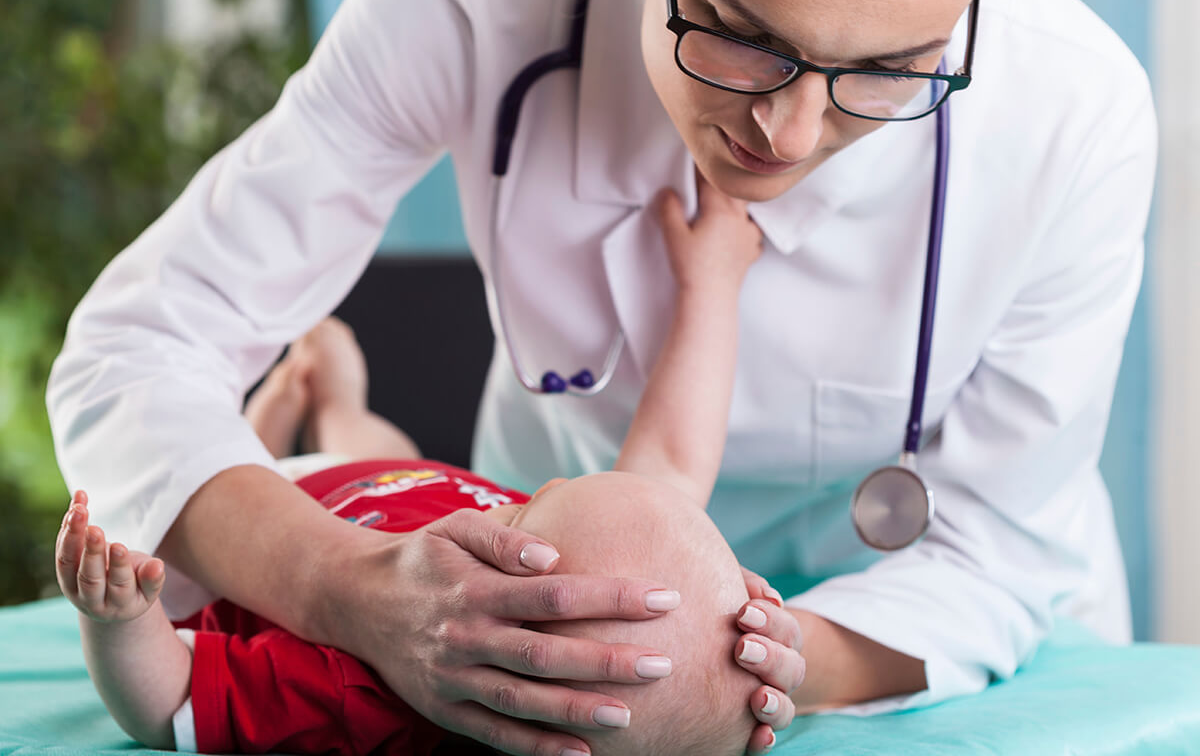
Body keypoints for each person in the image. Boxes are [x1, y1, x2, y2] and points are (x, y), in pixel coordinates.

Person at [46, 0, 1157, 754]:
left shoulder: (1079, 111)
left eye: (889, 70)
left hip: (921, 633)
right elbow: (136, 348)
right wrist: (347, 587)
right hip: (539, 559)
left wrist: (739, 673)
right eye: (737, 30)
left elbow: (995, 553)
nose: (791, 135)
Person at [54, 193, 773, 755]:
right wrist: (711, 284)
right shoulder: (583, 563)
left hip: (255, 521)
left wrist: (115, 621)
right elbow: (674, 456)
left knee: (262, 476)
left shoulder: (363, 691)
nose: (539, 489)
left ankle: (274, 416)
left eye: (521, 520)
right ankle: (334, 403)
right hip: (394, 479)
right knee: (381, 446)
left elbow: (170, 701)